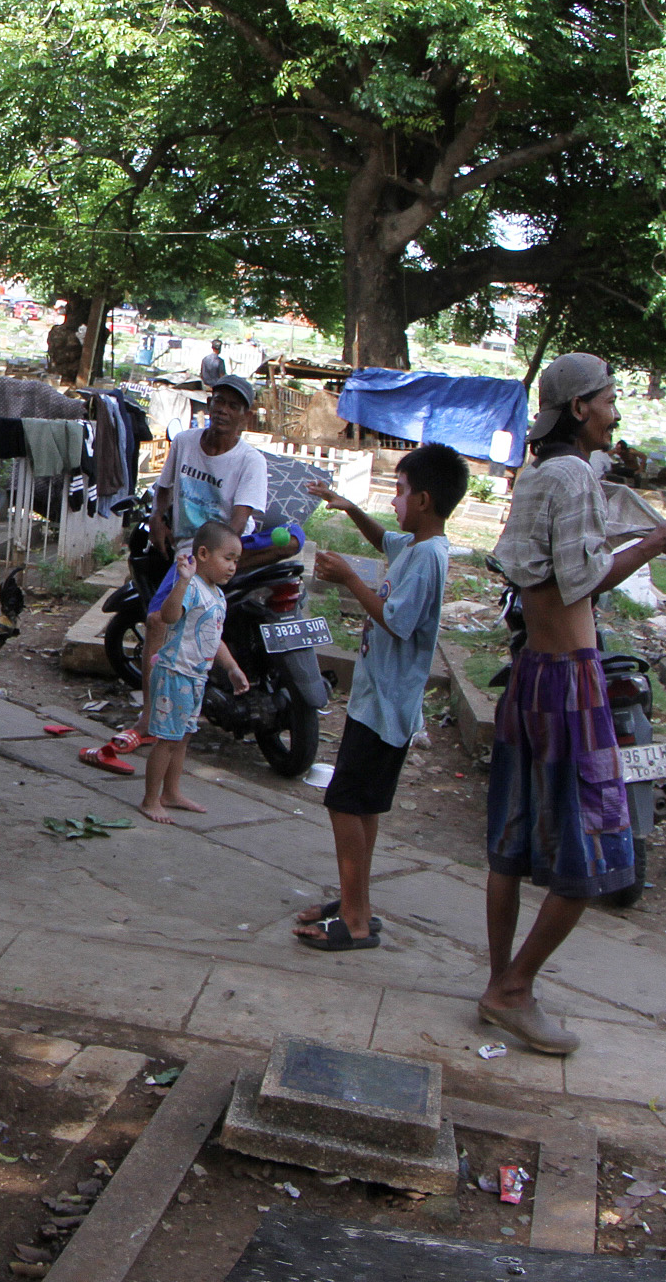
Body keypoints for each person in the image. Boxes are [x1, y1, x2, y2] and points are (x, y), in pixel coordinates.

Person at [481, 354, 666, 1053]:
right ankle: (514, 990)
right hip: (572, 681)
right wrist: (657, 542)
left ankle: (501, 983)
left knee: (511, 846)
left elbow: (540, 571)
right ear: (579, 408)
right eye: (608, 400)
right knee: (597, 853)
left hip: (528, 675)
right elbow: (583, 582)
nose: (615, 413)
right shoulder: (572, 476)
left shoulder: (539, 475)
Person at [293, 444, 465, 951]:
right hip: (379, 702)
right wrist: (349, 508)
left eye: (400, 491)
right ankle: (357, 903)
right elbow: (383, 538)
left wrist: (350, 578)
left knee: (344, 804)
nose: (394, 501)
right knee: (361, 805)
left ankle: (355, 920)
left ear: (424, 500)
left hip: (387, 706)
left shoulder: (428, 558)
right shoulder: (416, 544)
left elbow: (396, 621)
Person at [139, 520, 250, 823]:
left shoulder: (218, 596)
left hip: (195, 676)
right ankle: (150, 800)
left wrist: (232, 668)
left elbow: (215, 638)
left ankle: (171, 792)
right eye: (228, 558)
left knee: (183, 737)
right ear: (203, 554)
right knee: (167, 740)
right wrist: (182, 581)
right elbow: (168, 616)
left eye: (236, 561)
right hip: (174, 673)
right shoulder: (190, 587)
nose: (233, 567)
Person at [147, 375, 293, 574]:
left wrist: (213, 558)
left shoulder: (251, 460)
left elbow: (238, 523)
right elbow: (164, 487)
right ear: (209, 404)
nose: (223, 410)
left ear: (245, 416)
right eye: (219, 401)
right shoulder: (183, 442)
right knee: (168, 593)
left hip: (229, 543)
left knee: (295, 536)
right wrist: (156, 517)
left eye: (233, 406)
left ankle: (226, 567)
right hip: (189, 546)